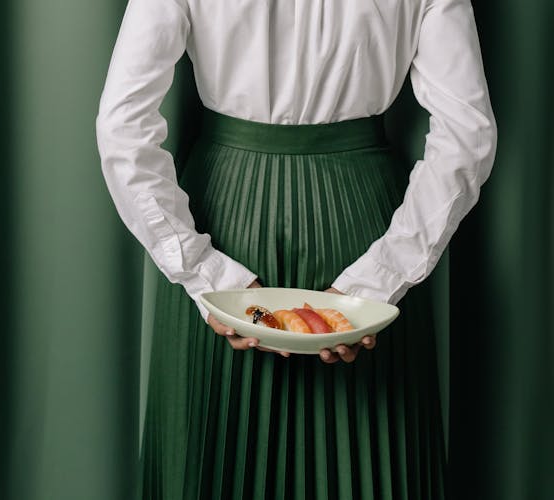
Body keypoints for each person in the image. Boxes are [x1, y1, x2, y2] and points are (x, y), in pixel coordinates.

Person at [96, 0, 497, 497]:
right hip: (365, 221)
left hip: (224, 216)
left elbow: (121, 128)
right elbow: (468, 135)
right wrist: (375, 284)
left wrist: (208, 277)